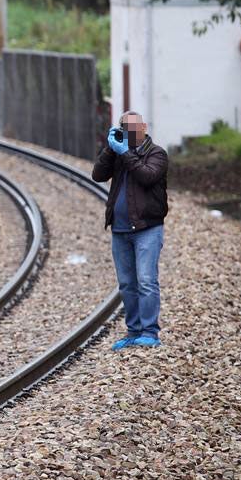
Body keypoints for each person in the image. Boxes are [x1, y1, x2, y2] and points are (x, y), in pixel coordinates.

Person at [91, 111, 169, 350]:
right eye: (126, 127)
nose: (131, 131)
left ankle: (150, 332)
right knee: (126, 283)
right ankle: (133, 331)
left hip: (147, 228)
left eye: (135, 127)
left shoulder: (156, 153)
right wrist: (109, 149)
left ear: (144, 127)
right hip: (120, 229)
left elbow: (147, 176)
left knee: (146, 280)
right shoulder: (117, 153)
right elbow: (97, 175)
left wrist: (125, 153)